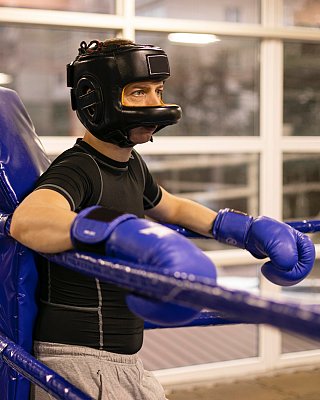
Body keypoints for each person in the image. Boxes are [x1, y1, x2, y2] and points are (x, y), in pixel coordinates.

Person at [10, 38, 315, 400]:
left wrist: (240, 227)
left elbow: (170, 206)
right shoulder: (79, 166)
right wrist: (120, 230)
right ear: (96, 99)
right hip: (79, 360)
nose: (155, 104)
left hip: (120, 361)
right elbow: (28, 219)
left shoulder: (130, 163)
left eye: (159, 90)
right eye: (139, 92)